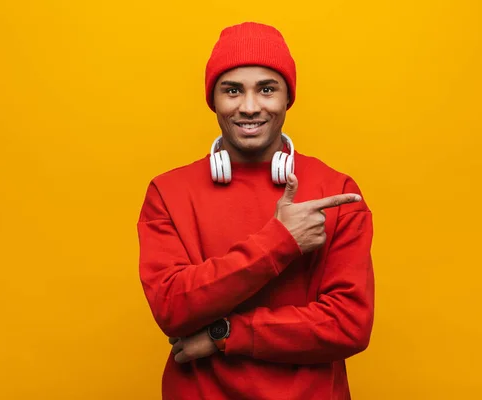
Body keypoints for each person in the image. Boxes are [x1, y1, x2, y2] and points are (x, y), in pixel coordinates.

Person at [137, 21, 375, 400]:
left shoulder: (336, 192)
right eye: (232, 91)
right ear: (213, 99)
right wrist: (281, 241)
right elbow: (171, 306)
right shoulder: (167, 192)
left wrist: (224, 334)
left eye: (267, 89)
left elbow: (349, 324)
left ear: (287, 98)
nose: (250, 107)